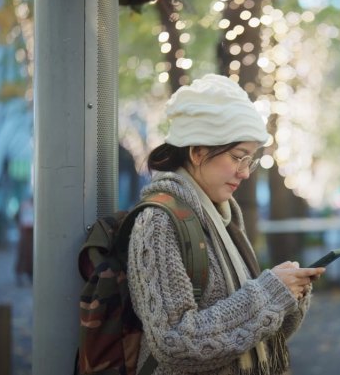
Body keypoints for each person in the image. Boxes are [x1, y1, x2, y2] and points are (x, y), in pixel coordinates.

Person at [127, 74, 326, 375]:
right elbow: (175, 344)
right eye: (237, 158)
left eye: (250, 161)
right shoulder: (158, 222)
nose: (245, 173)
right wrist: (270, 293)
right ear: (197, 152)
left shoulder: (224, 217)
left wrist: (289, 293)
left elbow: (254, 332)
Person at [15, 196, 34, 285]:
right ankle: (19, 273)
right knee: (23, 253)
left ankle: (29, 274)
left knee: (30, 254)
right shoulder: (25, 205)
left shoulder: (33, 206)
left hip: (32, 231)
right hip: (25, 231)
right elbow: (18, 217)